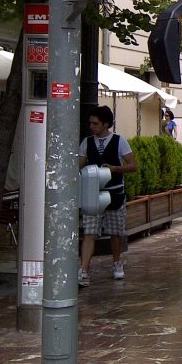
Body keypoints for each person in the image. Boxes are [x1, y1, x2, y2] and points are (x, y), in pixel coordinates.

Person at [78, 105, 137, 287]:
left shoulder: (120, 141)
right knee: (89, 231)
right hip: (92, 193)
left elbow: (133, 165)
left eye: (95, 123)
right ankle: (84, 269)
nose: (92, 127)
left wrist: (115, 168)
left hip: (115, 192)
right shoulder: (87, 142)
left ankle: (117, 262)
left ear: (105, 124)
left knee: (116, 232)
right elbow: (78, 165)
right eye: (90, 123)